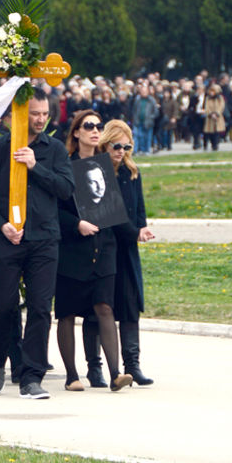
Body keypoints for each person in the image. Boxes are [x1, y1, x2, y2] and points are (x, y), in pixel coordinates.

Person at [0, 92, 74, 400]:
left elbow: (66, 189)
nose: (41, 119)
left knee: (41, 308)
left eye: (45, 114)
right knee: (1, 305)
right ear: (19, 114)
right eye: (34, 114)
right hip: (8, 240)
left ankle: (31, 377)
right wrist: (1, 225)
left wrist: (35, 166)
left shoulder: (53, 150)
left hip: (44, 240)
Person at [54, 110, 133, 393]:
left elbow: (114, 209)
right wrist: (77, 224)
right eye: (88, 126)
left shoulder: (104, 166)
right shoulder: (64, 164)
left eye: (99, 126)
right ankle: (72, 375)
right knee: (66, 313)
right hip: (72, 249)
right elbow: (54, 210)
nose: (95, 130)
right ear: (76, 132)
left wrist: (136, 232)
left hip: (103, 247)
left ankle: (116, 374)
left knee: (104, 307)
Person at [82, 119, 155, 386]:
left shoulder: (131, 172)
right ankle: (94, 367)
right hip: (101, 247)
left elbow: (139, 209)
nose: (121, 151)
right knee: (99, 306)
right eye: (116, 145)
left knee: (129, 304)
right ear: (105, 143)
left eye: (126, 146)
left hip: (127, 249)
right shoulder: (96, 171)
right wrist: (134, 231)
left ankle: (132, 365)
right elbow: (109, 216)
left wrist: (142, 228)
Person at [201, 84, 226, 152]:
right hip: (210, 118)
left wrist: (217, 114)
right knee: (210, 132)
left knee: (217, 132)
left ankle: (215, 145)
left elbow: (221, 106)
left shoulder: (220, 98)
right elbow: (207, 107)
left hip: (218, 117)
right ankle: (211, 144)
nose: (212, 93)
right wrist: (211, 114)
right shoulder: (207, 98)